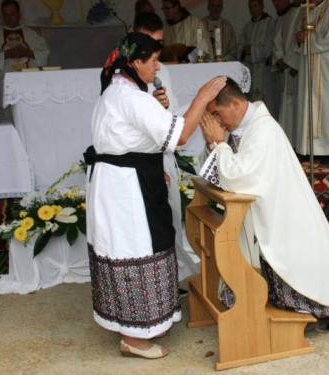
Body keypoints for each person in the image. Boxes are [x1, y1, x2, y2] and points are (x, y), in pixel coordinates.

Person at [85, 31, 226, 359]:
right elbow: (178, 135)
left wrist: (149, 160)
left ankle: (131, 326)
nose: (157, 67)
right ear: (134, 62)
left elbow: (132, 137)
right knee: (137, 248)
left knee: (133, 247)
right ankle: (135, 338)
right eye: (152, 61)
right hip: (125, 189)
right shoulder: (128, 95)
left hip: (125, 178)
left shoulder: (123, 89)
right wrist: (202, 97)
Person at [199, 78, 329, 331]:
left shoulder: (262, 129)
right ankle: (290, 305)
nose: (216, 121)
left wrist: (218, 143)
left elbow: (238, 176)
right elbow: (227, 170)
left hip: (286, 213)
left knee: (302, 266)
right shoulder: (246, 126)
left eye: (216, 113)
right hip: (273, 209)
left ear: (235, 103)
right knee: (286, 266)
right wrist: (216, 142)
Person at [133, 12, 198, 283]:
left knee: (170, 215)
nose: (155, 50)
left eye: (159, 42)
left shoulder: (163, 69)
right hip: (140, 156)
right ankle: (149, 278)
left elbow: (170, 111)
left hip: (162, 150)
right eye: (149, 42)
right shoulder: (123, 73)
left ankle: (172, 274)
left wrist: (163, 107)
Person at [294, 0, 329, 162]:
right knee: (308, 105)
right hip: (310, 68)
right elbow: (303, 39)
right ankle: (308, 148)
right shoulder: (309, 11)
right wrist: (300, 38)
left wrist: (308, 40)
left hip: (328, 70)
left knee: (328, 109)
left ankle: (328, 150)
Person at [0, 0, 49, 120]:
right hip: (7, 85)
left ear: (19, 15)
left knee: (30, 118)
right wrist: (6, 54)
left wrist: (28, 53)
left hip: (29, 84)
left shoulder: (31, 34)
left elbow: (45, 52)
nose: (9, 18)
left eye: (12, 14)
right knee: (9, 119)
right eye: (6, 15)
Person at [271, 0, 302, 147]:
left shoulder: (308, 12)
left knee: (299, 108)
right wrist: (279, 59)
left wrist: (290, 61)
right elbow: (277, 40)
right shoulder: (285, 16)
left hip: (299, 69)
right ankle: (289, 145)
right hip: (287, 68)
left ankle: (300, 145)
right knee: (288, 109)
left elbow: (303, 42)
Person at [238, 0, 276, 113]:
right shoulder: (247, 26)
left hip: (265, 71)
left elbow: (270, 47)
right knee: (252, 103)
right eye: (250, 6)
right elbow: (240, 46)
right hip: (251, 71)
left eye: (255, 6)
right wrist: (243, 49)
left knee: (267, 103)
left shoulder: (270, 23)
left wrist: (252, 50)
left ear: (262, 6)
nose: (252, 9)